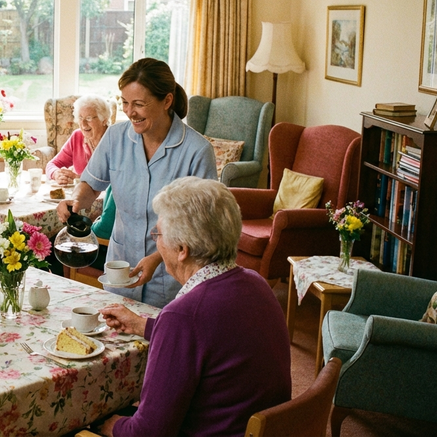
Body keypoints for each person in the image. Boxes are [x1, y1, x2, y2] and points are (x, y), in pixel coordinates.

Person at [95, 177, 291, 436]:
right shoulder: (256, 283)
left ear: (182, 249)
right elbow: (211, 337)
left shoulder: (183, 316)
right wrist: (144, 325)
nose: (156, 242)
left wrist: (110, 426)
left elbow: (148, 433)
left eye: (158, 234)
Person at [57, 58, 217, 308]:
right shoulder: (115, 137)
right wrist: (75, 201)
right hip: (119, 270)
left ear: (167, 101)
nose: (130, 112)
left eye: (139, 104)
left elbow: (202, 226)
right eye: (125, 103)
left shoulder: (197, 151)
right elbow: (90, 184)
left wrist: (159, 257)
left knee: (161, 332)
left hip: (171, 277)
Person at [46, 94, 111, 185]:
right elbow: (52, 164)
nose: (83, 124)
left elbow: (117, 180)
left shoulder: (115, 140)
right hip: (80, 193)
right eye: (80, 118)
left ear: (104, 120)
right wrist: (56, 174)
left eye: (88, 118)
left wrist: (79, 179)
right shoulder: (77, 136)